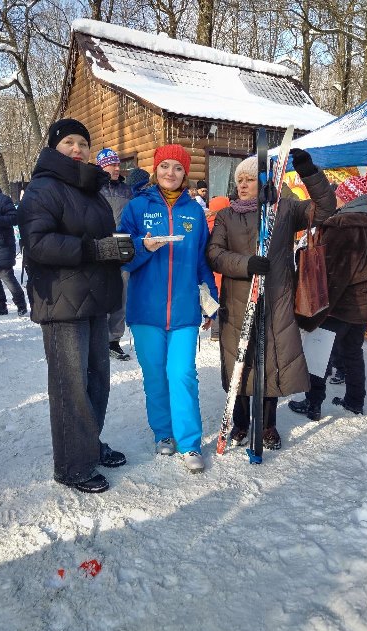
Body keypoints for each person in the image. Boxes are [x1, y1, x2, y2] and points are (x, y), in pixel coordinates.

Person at [18, 118, 135, 494]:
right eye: (68, 141)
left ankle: (88, 445)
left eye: (83, 143)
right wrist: (93, 249)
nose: (77, 148)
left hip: (94, 297)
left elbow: (98, 238)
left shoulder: (89, 188)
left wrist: (117, 248)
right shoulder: (43, 189)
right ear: (54, 147)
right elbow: (37, 244)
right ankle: (72, 465)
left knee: (97, 380)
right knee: (71, 385)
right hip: (61, 301)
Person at [207, 149, 336, 449]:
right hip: (238, 302)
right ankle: (240, 422)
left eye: (250, 179)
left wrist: (309, 173)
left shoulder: (285, 210)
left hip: (276, 301)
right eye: (240, 180)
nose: (242, 185)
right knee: (240, 363)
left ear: (264, 182)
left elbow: (325, 209)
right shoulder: (226, 215)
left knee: (271, 364)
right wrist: (246, 264)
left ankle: (268, 426)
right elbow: (214, 254)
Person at [118, 144, 218, 473]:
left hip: (184, 310)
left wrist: (210, 302)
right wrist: (142, 246)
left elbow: (202, 261)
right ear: (155, 169)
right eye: (164, 166)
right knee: (155, 375)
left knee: (182, 373)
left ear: (185, 173)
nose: (170, 173)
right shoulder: (136, 207)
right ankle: (163, 433)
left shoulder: (195, 213)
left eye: (177, 167)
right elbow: (122, 257)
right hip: (146, 310)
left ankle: (189, 443)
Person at [289, 171, 367, 420]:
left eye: (339, 195)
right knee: (352, 353)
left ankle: (313, 403)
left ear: (347, 198)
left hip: (337, 306)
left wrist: (316, 314)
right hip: (362, 306)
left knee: (318, 354)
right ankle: (355, 401)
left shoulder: (342, 227)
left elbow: (333, 276)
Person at [96, 147, 133, 361]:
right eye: (112, 164)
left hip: (123, 243)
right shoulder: (93, 188)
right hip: (101, 244)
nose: (117, 168)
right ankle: (98, 337)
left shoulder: (127, 190)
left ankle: (113, 339)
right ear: (102, 166)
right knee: (102, 292)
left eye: (118, 164)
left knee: (122, 293)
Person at [0, 184, 27, 317]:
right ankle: (0, 306)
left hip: (2, 244)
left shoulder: (3, 199)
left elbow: (15, 218)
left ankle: (21, 304)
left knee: (6, 275)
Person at [206, 196, 230, 341]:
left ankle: (214, 332)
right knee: (224, 301)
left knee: (214, 301)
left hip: (210, 271)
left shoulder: (205, 225)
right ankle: (219, 331)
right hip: (222, 271)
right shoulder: (223, 226)